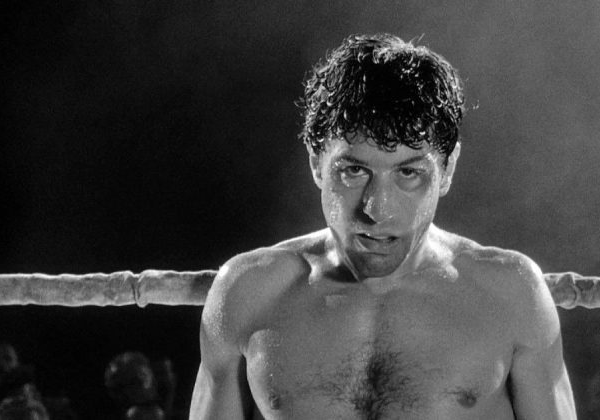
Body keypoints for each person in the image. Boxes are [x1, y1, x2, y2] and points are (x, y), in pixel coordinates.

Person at [189, 33, 575, 419]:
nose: (377, 210)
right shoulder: (248, 292)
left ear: (447, 170)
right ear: (316, 164)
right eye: (354, 171)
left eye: (408, 173)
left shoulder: (510, 294)